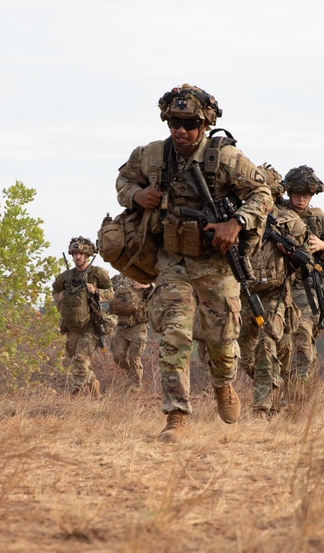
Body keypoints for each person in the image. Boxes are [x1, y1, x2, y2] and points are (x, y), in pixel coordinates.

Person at [116, 83, 273, 442]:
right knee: (173, 335)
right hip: (173, 260)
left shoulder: (227, 157)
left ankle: (223, 385)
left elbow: (262, 193)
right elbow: (123, 180)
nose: (181, 131)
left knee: (222, 340)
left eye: (189, 124)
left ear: (204, 123)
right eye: (174, 122)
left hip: (217, 264)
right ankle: (176, 416)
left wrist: (237, 222)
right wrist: (137, 195)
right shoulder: (152, 156)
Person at [238, 165, 307, 417]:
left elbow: (307, 262)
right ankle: (272, 387)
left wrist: (291, 253)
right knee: (245, 355)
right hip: (244, 293)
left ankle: (262, 409)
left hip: (275, 295)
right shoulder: (238, 218)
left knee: (266, 344)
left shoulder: (290, 223)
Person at [282, 165, 324, 383]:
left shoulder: (319, 220)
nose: (300, 199)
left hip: (308, 288)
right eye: (297, 194)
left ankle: (297, 394)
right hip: (279, 285)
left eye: (305, 195)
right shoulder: (277, 214)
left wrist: (322, 246)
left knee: (302, 337)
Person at [52, 236, 114, 397]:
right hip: (72, 326)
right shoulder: (66, 276)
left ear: (87, 255)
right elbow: (55, 290)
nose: (77, 257)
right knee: (78, 360)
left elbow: (111, 293)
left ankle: (75, 396)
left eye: (80, 254)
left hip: (91, 325)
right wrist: (59, 298)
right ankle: (96, 389)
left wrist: (96, 292)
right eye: (74, 254)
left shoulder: (97, 273)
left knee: (80, 359)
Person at [108, 273, 152, 389]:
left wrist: (147, 285)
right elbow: (105, 288)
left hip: (138, 324)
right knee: (117, 355)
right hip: (121, 325)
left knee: (134, 356)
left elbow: (161, 285)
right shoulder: (117, 278)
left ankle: (135, 386)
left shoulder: (143, 274)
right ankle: (129, 372)